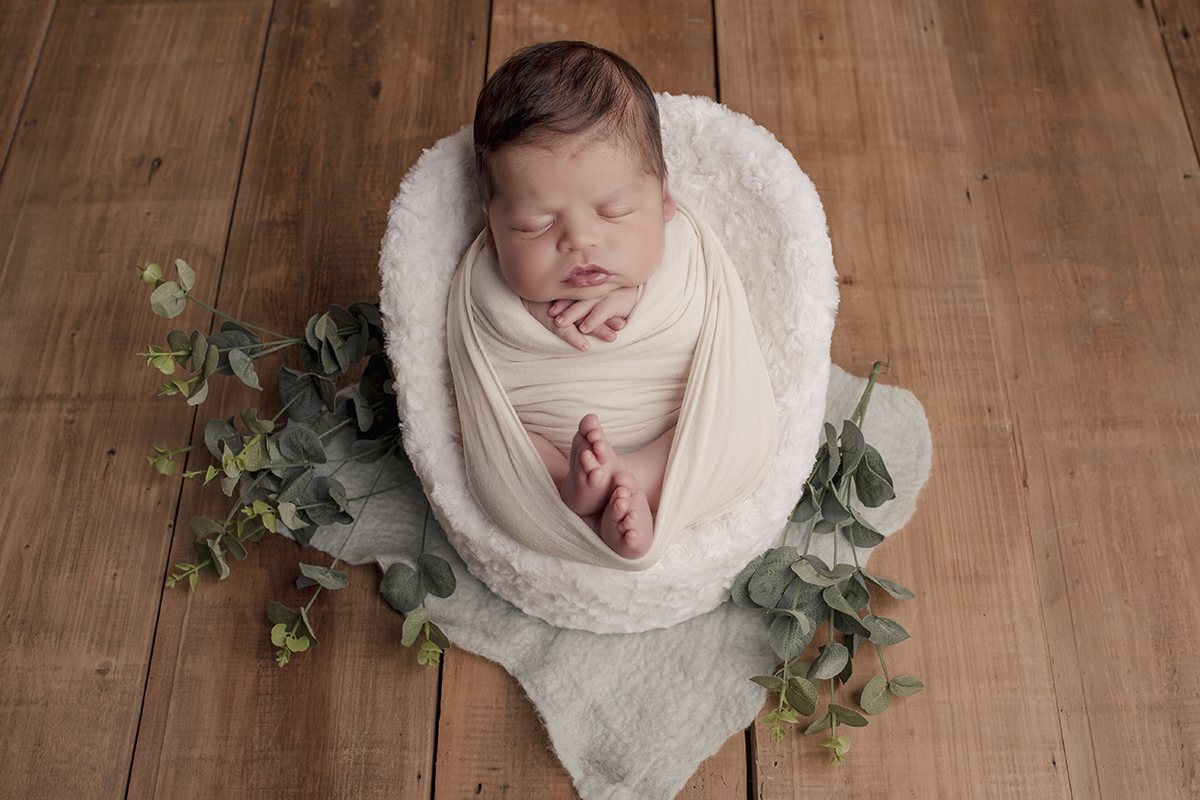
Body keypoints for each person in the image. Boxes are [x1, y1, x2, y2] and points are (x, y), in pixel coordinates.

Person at [448, 40, 778, 566]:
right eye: (536, 224)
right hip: (551, 440)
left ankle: (637, 478)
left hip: (671, 424)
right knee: (509, 455)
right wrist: (532, 313)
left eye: (616, 211)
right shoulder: (482, 278)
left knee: (730, 431)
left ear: (664, 199)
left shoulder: (683, 246)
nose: (580, 240)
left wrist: (644, 292)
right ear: (490, 227)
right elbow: (478, 324)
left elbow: (704, 292)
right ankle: (570, 487)